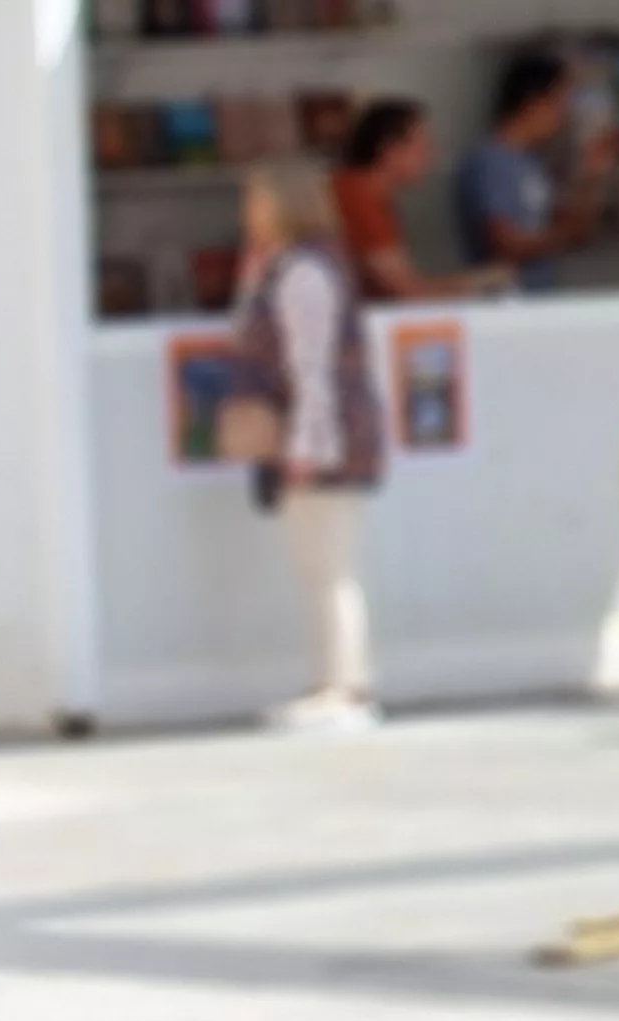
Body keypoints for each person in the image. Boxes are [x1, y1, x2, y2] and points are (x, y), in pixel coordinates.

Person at [237, 162, 388, 731]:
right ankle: (335, 680)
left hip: (327, 443)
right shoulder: (289, 268)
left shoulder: (305, 273)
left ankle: (345, 687)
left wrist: (307, 447)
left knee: (329, 564)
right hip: (328, 438)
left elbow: (313, 368)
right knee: (320, 564)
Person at [457, 48, 618, 291]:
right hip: (506, 306)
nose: (564, 114)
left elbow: (576, 231)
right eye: (560, 102)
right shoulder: (489, 162)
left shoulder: (531, 163)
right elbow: (506, 244)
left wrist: (593, 175)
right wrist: (565, 233)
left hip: (539, 298)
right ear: (533, 102)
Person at [334, 99, 504, 301]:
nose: (430, 157)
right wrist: (478, 288)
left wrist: (477, 281)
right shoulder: (359, 197)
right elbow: (409, 293)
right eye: (423, 146)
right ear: (389, 149)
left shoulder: (360, 191)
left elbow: (409, 284)